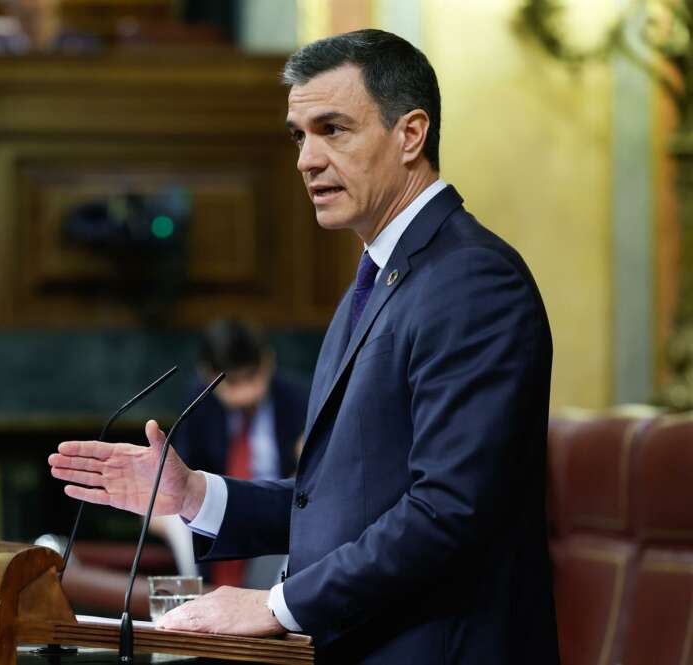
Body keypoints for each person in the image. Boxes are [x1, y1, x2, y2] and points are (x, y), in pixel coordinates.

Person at [49, 29, 560, 664]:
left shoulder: (471, 280)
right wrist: (193, 495)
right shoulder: (377, 282)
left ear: (411, 134)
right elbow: (344, 501)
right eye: (299, 135)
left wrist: (273, 605)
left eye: (333, 129)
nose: (306, 159)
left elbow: (450, 510)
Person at [168, 318, 307, 588]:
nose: (244, 393)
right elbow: (187, 471)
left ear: (268, 362)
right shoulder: (197, 403)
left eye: (252, 378)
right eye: (232, 383)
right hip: (214, 510)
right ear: (208, 375)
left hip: (276, 514)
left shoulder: (299, 399)